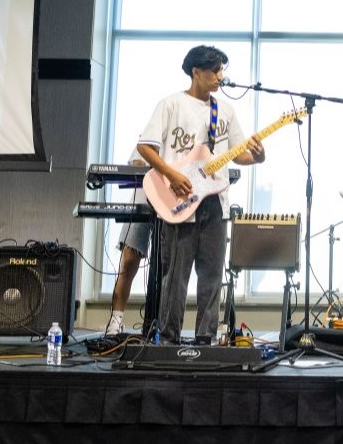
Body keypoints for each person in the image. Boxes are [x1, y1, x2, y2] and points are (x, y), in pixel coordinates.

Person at [137, 45, 265, 345]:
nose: (221, 76)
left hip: (215, 203)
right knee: (175, 277)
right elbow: (145, 147)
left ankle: (205, 339)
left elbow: (239, 154)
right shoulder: (170, 104)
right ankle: (168, 339)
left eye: (222, 70)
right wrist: (172, 174)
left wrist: (258, 158)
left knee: (211, 276)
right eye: (215, 71)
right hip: (179, 200)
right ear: (197, 72)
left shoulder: (225, 111)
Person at [104, 151, 151, 336]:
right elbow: (137, 163)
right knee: (129, 261)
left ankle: (160, 323)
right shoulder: (152, 131)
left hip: (173, 204)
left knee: (167, 266)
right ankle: (116, 320)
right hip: (143, 201)